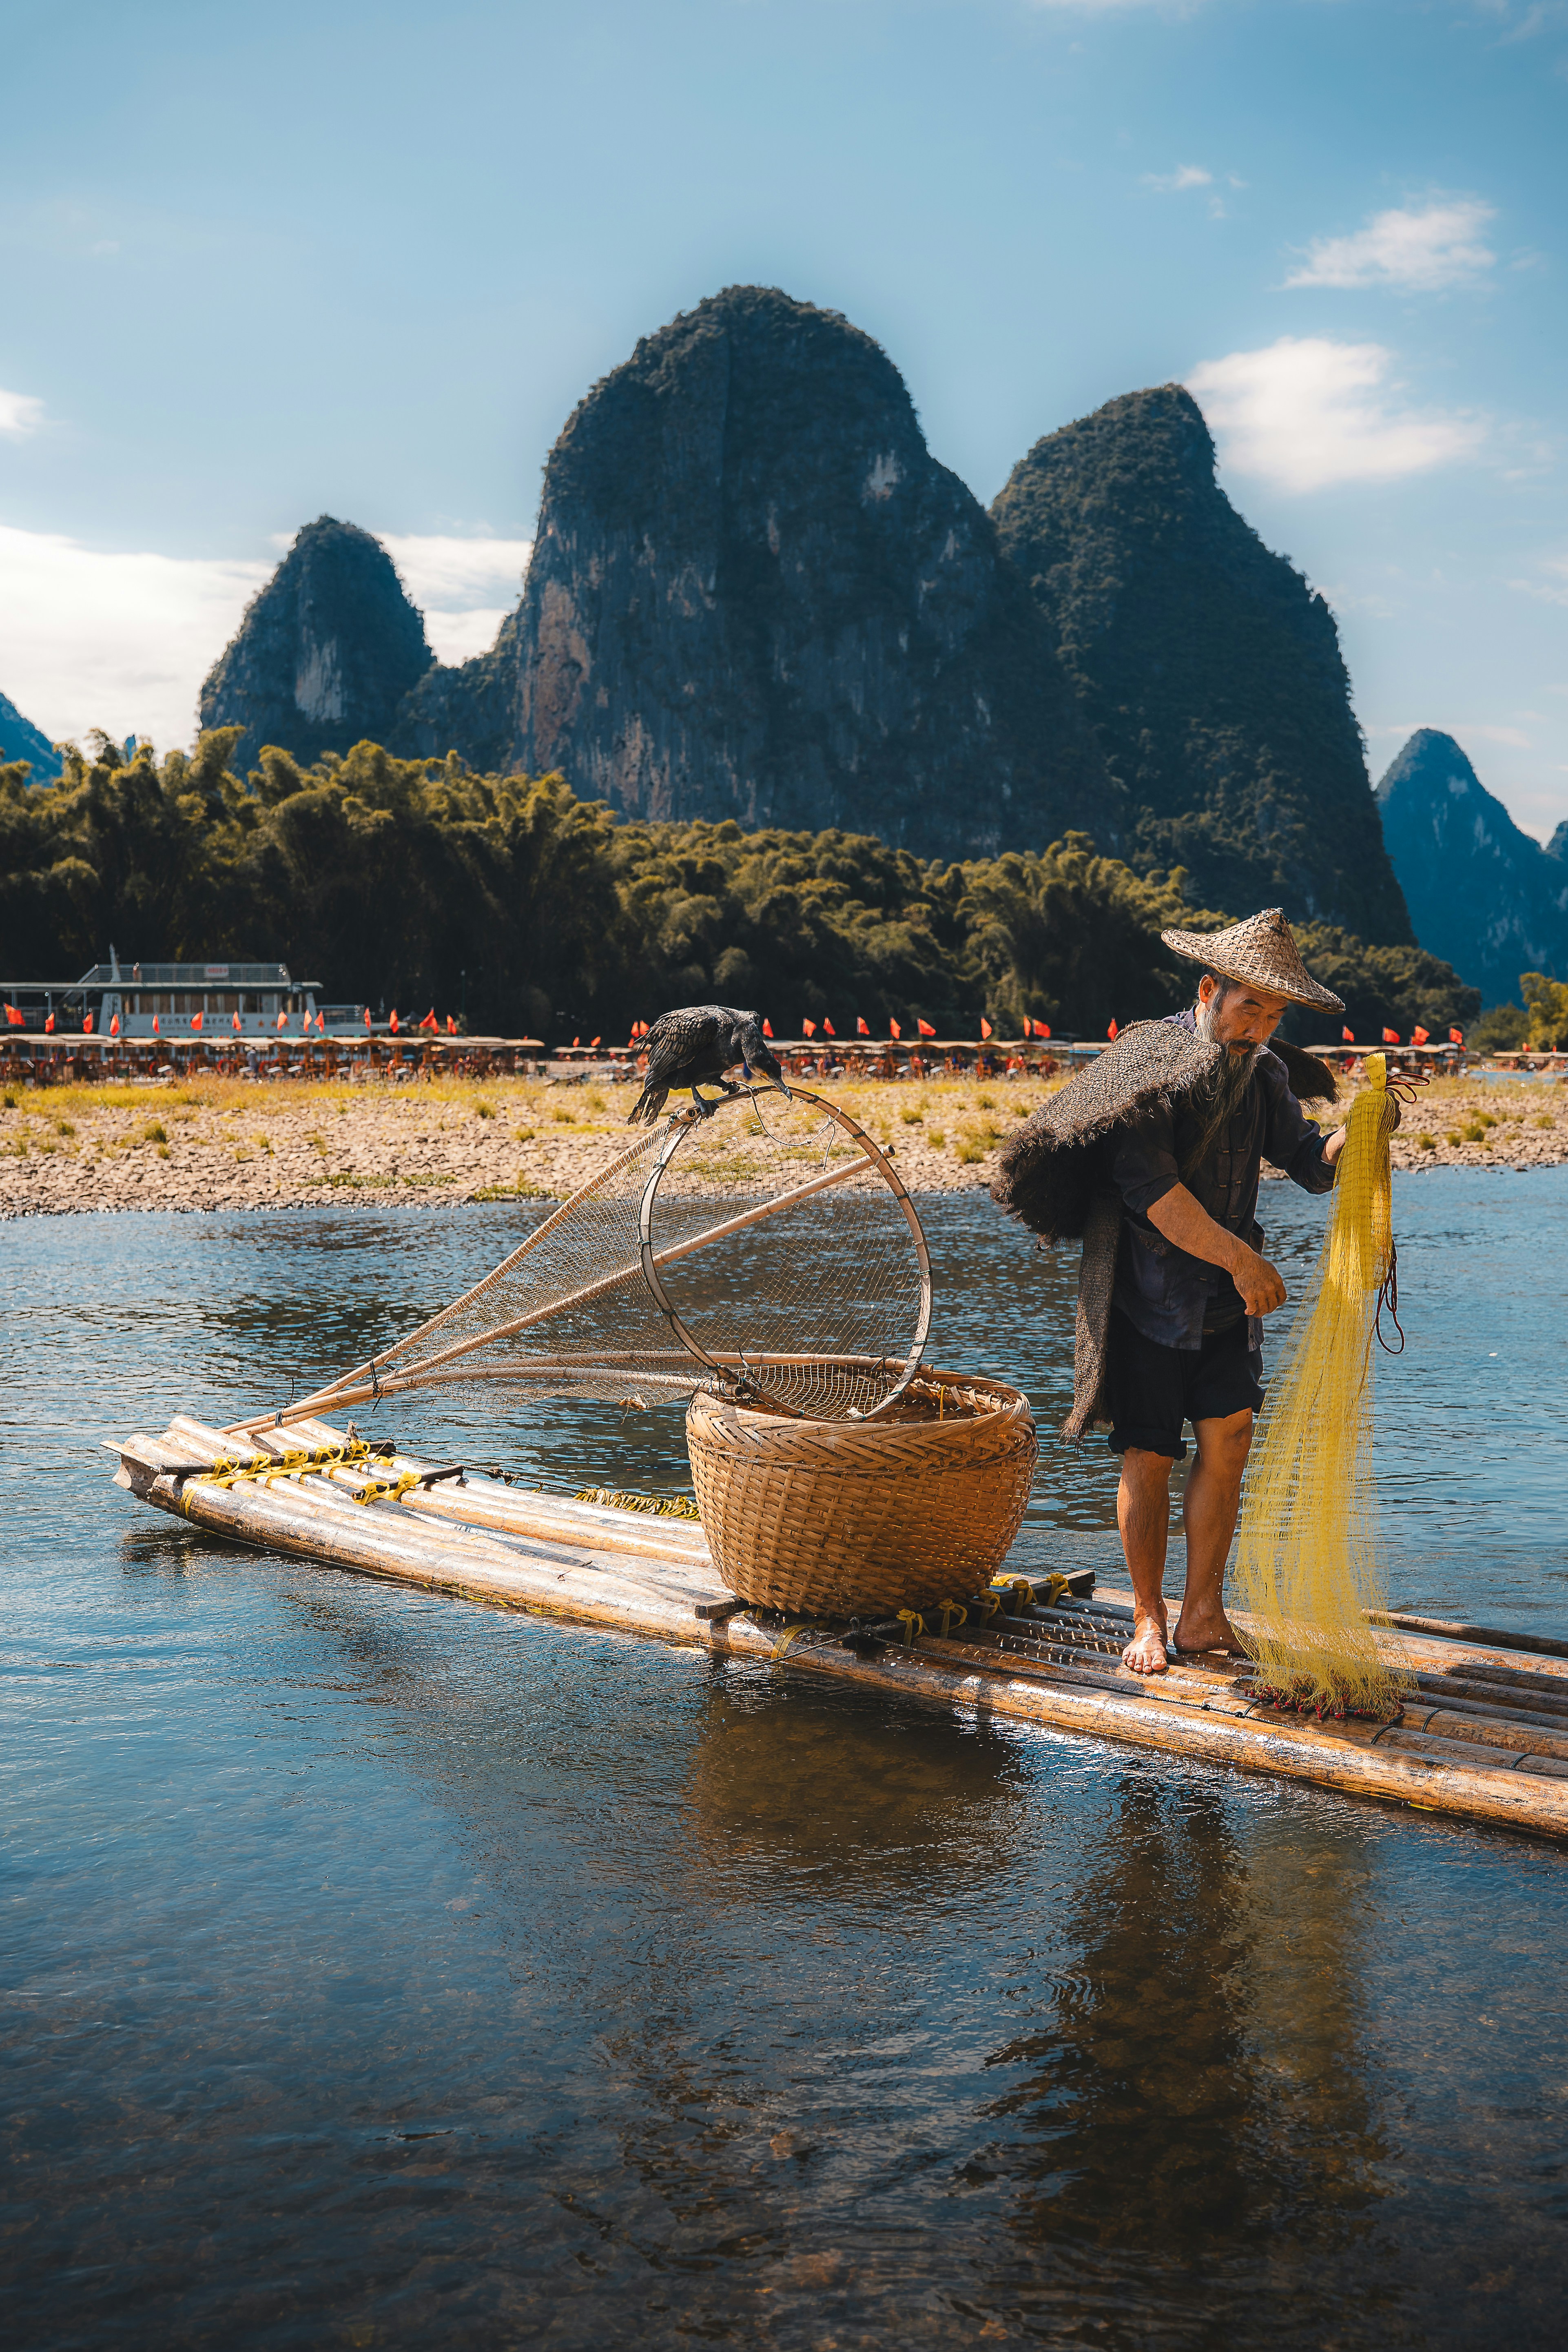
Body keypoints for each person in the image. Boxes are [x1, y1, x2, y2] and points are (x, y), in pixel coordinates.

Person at [991, 908, 1376, 1679]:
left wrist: (1362, 1128)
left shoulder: (1264, 1073)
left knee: (1228, 1443)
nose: (1259, 1027)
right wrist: (1244, 1262)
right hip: (1145, 1297)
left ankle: (1203, 1614)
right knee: (1150, 1454)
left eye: (1273, 1014)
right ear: (1209, 991)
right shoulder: (1149, 1067)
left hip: (1227, 1304)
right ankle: (1147, 1615)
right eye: (1248, 1009)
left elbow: (1308, 1160)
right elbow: (1156, 1197)